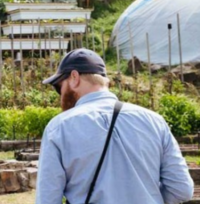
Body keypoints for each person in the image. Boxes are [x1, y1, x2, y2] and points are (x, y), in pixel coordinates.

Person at [36, 48, 193, 204]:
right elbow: (182, 189)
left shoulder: (59, 128)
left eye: (59, 87)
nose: (61, 94)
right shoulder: (154, 121)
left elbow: (47, 199)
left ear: (74, 77)